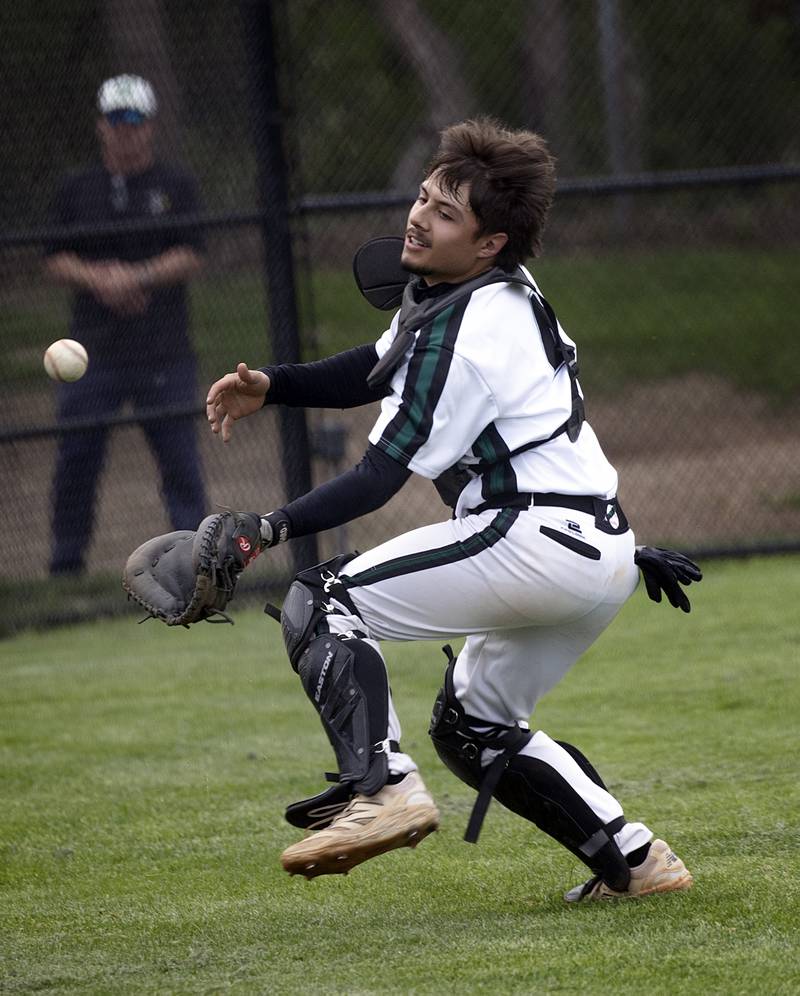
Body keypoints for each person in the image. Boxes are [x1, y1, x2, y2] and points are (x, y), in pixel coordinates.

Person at [205, 118, 700, 902]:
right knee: (473, 724)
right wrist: (275, 385)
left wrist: (267, 529)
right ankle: (635, 862)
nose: (419, 216)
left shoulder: (463, 335)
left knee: (322, 599)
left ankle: (383, 787)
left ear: (488, 242)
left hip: (530, 538)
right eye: (424, 197)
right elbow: (378, 364)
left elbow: (378, 476)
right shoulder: (492, 292)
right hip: (596, 547)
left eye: (444, 212)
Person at [44, 74, 207, 576]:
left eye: (135, 120)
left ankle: (196, 563)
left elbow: (192, 252)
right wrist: (98, 279)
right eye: (116, 119)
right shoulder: (78, 189)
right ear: (101, 125)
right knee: (77, 458)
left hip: (162, 350)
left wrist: (138, 276)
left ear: (150, 125)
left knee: (180, 461)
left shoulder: (175, 185)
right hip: (92, 351)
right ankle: (65, 566)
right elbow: (54, 256)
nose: (125, 130)